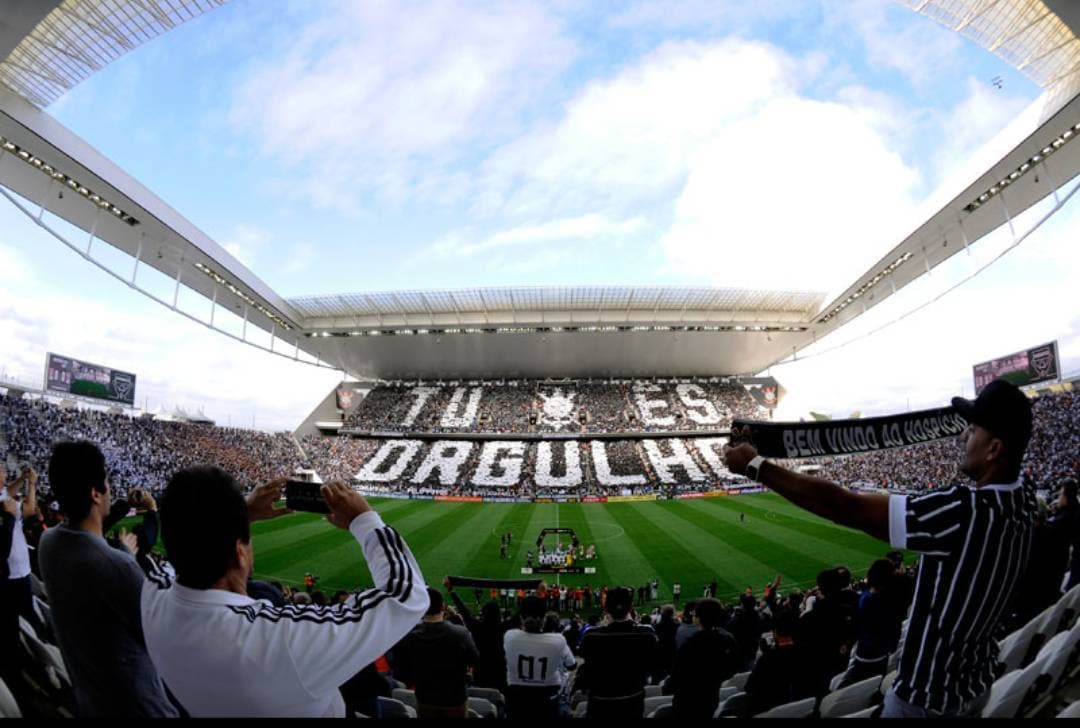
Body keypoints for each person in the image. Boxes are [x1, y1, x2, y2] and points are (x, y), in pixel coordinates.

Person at [723, 379, 1037, 718]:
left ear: (993, 449)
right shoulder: (1024, 500)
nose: (962, 437)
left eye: (972, 430)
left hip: (927, 700)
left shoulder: (966, 512)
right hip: (974, 685)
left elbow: (848, 507)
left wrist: (755, 466)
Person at [141, 471, 429, 717]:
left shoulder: (152, 594)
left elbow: (179, 557)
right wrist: (364, 519)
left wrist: (238, 516)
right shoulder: (284, 642)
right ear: (240, 553)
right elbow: (406, 596)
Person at [37, 441, 179, 717]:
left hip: (92, 700)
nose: (110, 489)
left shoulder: (48, 542)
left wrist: (124, 515)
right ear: (96, 493)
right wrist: (151, 511)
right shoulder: (117, 566)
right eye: (107, 483)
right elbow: (162, 638)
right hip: (138, 708)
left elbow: (87, 540)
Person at [391, 587, 479, 719]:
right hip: (454, 698)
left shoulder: (410, 636)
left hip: (425, 697)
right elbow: (475, 660)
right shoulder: (460, 634)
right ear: (443, 606)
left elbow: (399, 666)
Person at [575, 586, 659, 719]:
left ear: (606, 608)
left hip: (600, 701)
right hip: (633, 700)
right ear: (631, 607)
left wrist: (604, 626)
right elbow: (653, 666)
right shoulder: (646, 634)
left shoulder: (591, 636)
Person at [663, 598, 740, 719]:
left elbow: (676, 677)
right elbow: (732, 668)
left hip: (687, 701)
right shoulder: (728, 639)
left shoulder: (691, 644)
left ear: (698, 618)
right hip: (711, 696)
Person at [503, 595, 576, 718]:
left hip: (517, 700)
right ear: (543, 619)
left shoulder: (510, 636)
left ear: (521, 618)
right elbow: (572, 665)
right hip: (547, 699)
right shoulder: (558, 639)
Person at [744, 608, 814, 716]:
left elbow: (750, 689)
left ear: (775, 633)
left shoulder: (767, 660)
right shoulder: (808, 652)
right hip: (803, 708)